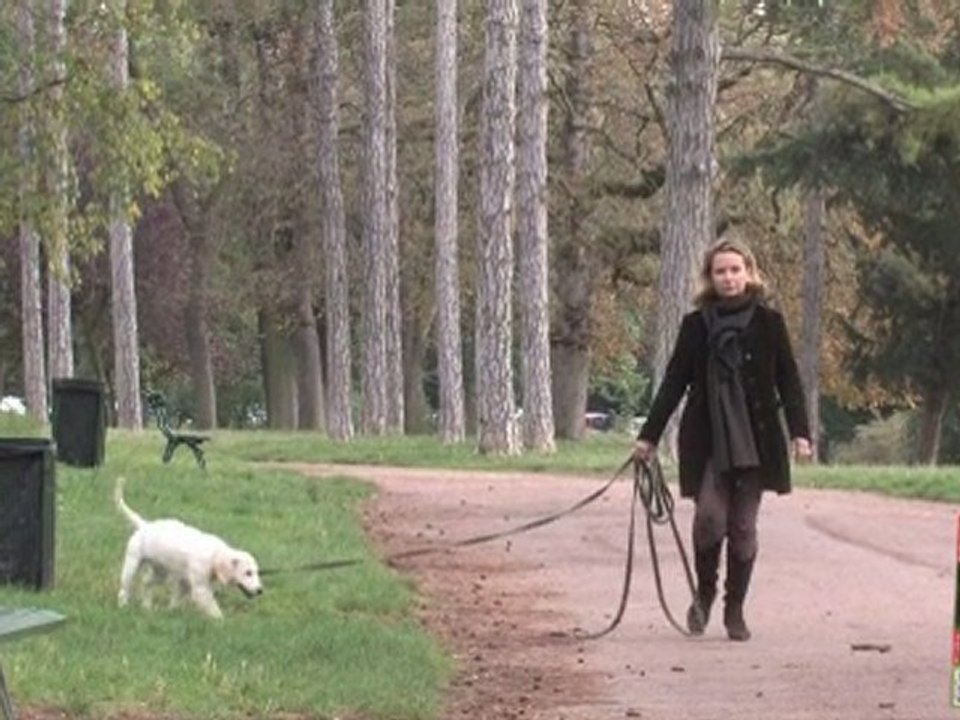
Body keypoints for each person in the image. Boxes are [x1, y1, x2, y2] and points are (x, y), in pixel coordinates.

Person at [634, 237, 812, 641]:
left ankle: (735, 608)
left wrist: (801, 432)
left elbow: (789, 381)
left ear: (749, 273)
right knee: (710, 520)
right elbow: (674, 382)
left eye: (736, 270)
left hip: (757, 442)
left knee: (743, 528)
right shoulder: (695, 326)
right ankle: (705, 593)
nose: (729, 277)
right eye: (721, 271)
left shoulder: (770, 323)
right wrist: (649, 437)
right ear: (710, 278)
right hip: (709, 441)